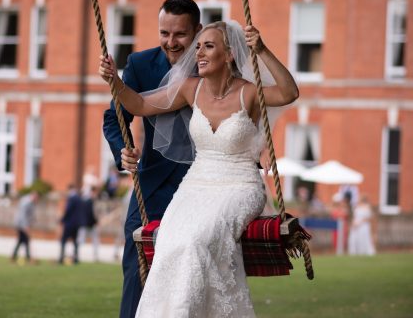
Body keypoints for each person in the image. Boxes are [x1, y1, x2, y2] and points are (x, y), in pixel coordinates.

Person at [100, 20, 298, 317]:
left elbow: (288, 92)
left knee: (197, 240)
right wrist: (115, 82)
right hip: (196, 184)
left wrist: (263, 50)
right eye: (199, 47)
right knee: (169, 241)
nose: (199, 54)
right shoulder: (189, 89)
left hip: (239, 185)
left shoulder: (250, 93)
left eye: (208, 46)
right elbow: (140, 104)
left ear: (229, 54)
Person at [102, 0, 202, 318]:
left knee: (193, 276)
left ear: (198, 32)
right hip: (152, 184)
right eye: (164, 33)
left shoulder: (213, 67)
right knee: (136, 271)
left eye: (180, 35)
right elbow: (114, 117)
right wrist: (124, 149)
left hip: (201, 188)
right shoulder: (141, 65)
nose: (170, 43)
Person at [58, 183, 85, 265]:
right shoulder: (79, 198)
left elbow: (68, 210)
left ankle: (61, 257)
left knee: (63, 240)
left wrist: (62, 220)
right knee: (75, 241)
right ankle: (76, 258)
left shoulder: (71, 198)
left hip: (69, 223)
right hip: (76, 224)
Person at [11, 191, 39, 264]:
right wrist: (25, 226)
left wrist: (32, 222)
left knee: (22, 240)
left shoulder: (32, 203)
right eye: (36, 198)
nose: (37, 200)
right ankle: (28, 258)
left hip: (24, 224)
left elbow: (31, 214)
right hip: (20, 224)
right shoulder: (26, 202)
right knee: (25, 240)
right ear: (33, 196)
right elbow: (22, 215)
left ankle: (14, 257)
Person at [77, 185, 100, 261]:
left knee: (82, 240)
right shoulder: (89, 201)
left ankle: (77, 255)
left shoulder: (84, 200)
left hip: (84, 224)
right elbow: (90, 213)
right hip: (88, 224)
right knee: (84, 240)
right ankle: (77, 255)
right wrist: (95, 221)